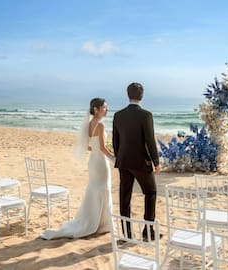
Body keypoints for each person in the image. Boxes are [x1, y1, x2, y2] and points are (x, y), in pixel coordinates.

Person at [41, 98, 114, 240]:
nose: (107, 110)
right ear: (96, 109)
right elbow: (103, 148)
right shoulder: (100, 125)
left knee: (95, 189)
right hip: (100, 163)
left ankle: (95, 220)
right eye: (104, 107)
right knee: (103, 188)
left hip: (93, 161)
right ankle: (103, 224)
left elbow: (87, 146)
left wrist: (97, 150)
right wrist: (114, 158)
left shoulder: (88, 124)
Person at [112, 82, 161, 240]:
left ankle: (126, 234)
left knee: (124, 197)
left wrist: (120, 156)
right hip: (141, 162)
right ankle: (148, 231)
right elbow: (150, 141)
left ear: (128, 95)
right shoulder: (146, 115)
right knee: (151, 192)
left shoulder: (118, 115)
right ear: (142, 95)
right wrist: (156, 162)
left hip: (123, 161)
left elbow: (115, 141)